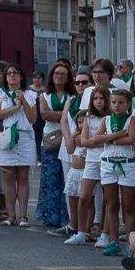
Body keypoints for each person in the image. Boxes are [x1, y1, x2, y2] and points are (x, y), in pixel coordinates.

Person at [96, 88, 135, 255]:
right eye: (114, 102)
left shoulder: (132, 120)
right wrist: (119, 134)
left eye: (121, 102)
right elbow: (96, 139)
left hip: (127, 165)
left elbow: (131, 139)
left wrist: (110, 137)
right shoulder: (106, 119)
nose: (116, 105)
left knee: (128, 205)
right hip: (108, 164)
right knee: (112, 204)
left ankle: (132, 244)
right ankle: (113, 241)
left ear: (128, 104)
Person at [65, 85, 112, 247]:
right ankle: (81, 233)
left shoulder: (110, 117)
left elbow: (105, 139)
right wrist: (96, 140)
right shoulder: (88, 118)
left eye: (102, 99)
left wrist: (95, 141)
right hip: (91, 161)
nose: (98, 102)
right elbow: (83, 141)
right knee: (84, 196)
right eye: (95, 99)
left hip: (107, 160)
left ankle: (105, 235)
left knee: (107, 198)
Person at [0, 65, 34, 227]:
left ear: (21, 77)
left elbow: (33, 118)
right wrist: (16, 107)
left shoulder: (30, 94)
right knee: (8, 178)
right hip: (5, 136)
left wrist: (23, 102)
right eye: (9, 73)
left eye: (15, 73)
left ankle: (23, 216)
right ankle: (10, 214)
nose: (12, 76)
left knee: (23, 178)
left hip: (24, 137)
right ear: (6, 77)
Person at [37, 61, 76, 231]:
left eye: (63, 74)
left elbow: (74, 116)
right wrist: (65, 114)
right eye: (56, 74)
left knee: (66, 179)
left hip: (68, 138)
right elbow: (45, 115)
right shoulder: (44, 96)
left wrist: (59, 115)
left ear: (68, 78)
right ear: (52, 77)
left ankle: (67, 217)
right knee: (50, 179)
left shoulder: (72, 96)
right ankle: (50, 216)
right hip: (50, 140)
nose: (59, 76)